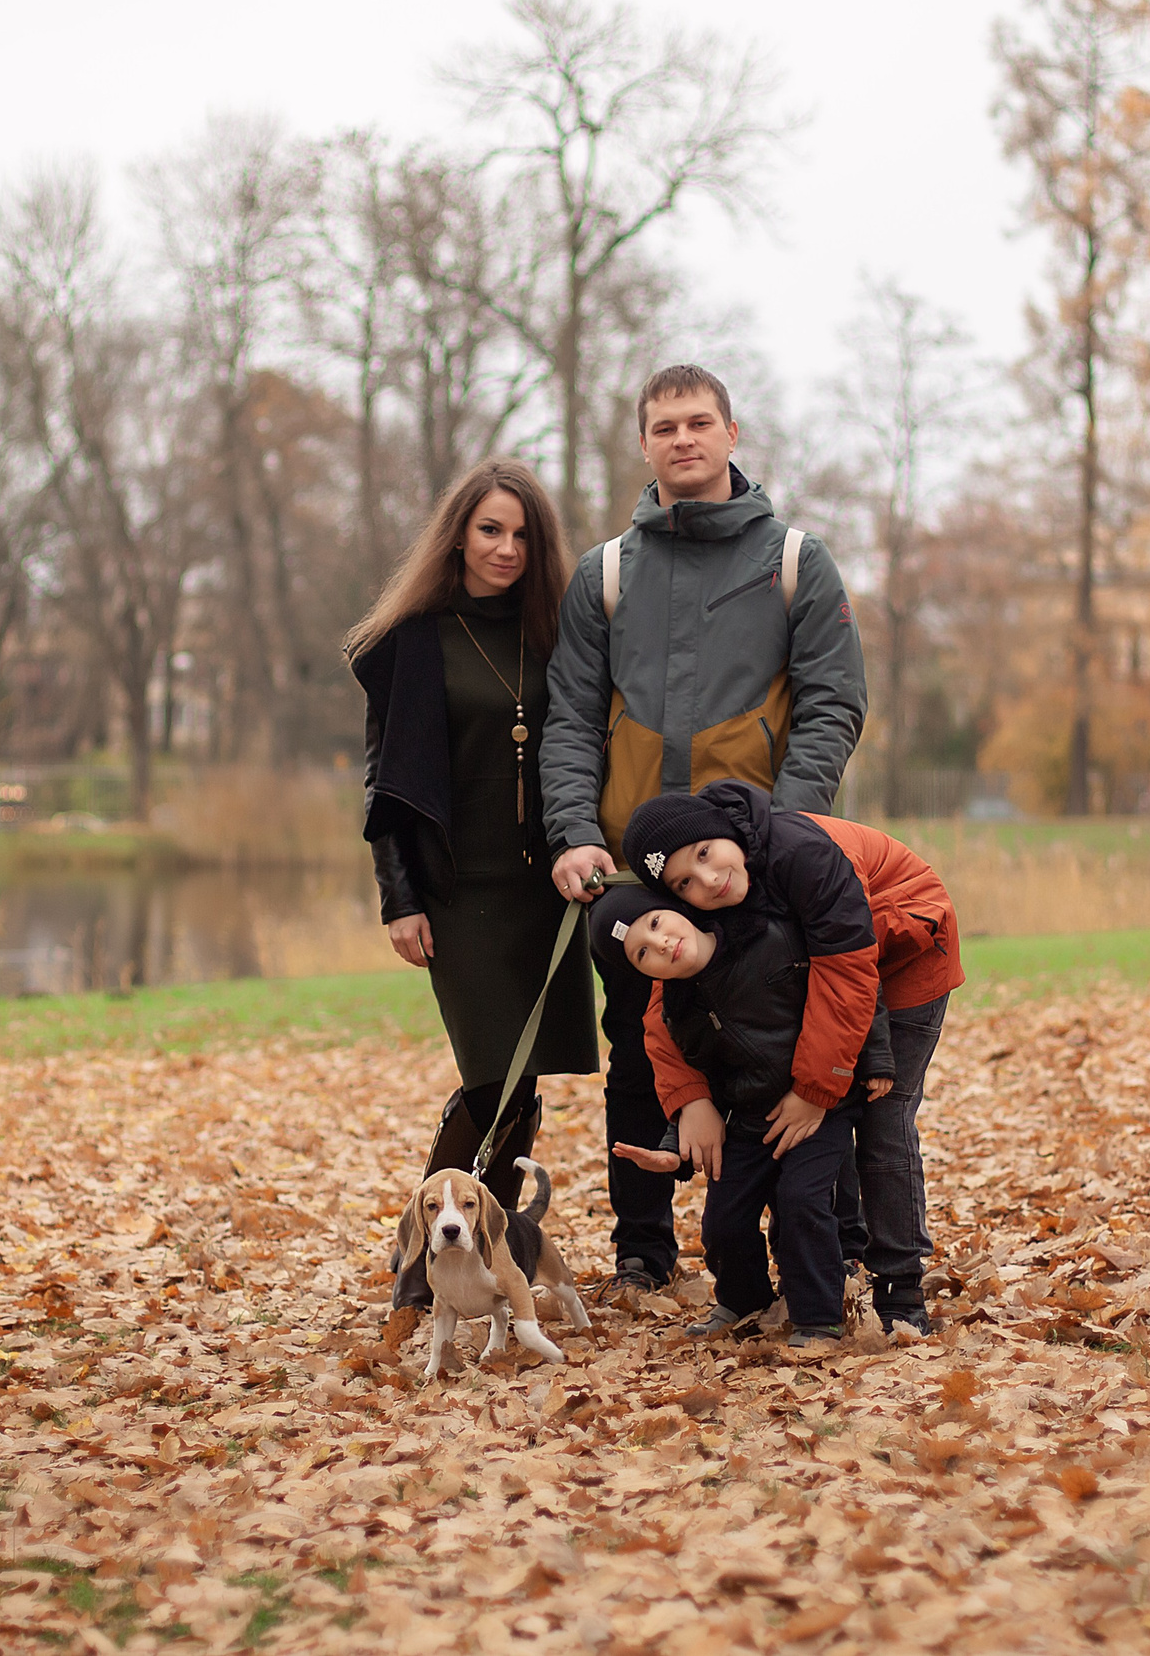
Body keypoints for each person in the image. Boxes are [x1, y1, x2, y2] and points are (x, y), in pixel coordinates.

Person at [540, 364, 869, 1294]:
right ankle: (644, 1251)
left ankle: (831, 1244)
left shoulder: (797, 561)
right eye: (663, 427)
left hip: (758, 861)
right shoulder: (605, 574)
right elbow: (568, 716)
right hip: (635, 868)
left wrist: (788, 830)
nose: (682, 439)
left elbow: (833, 704)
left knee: (795, 1037)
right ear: (643, 444)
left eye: (698, 422)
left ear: (732, 432)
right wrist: (573, 832)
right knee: (641, 1050)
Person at [350, 458, 600, 1319]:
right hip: (457, 892)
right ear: (458, 531)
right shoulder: (412, 639)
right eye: (491, 529)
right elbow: (386, 784)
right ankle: (422, 1260)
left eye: (523, 534)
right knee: (494, 1075)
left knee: (525, 1085)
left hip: (545, 891)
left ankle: (485, 1258)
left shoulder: (556, 629)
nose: (506, 547)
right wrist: (399, 896)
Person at [621, 781, 961, 1339]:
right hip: (821, 970)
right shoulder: (696, 905)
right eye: (685, 880)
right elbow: (667, 1003)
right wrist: (692, 1101)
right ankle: (833, 1266)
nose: (708, 880)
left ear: (721, 829)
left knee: (879, 1119)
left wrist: (814, 1089)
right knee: (812, 1129)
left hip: (901, 941)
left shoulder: (802, 853)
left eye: (706, 854)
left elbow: (847, 973)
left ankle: (901, 1289)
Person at [590, 886, 891, 1346]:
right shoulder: (679, 1009)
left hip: (818, 1107)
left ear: (675, 910)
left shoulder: (766, 938)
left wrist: (876, 1060)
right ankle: (744, 1299)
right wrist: (675, 1148)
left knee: (801, 1203)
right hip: (748, 1119)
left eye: (654, 925)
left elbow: (846, 995)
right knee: (723, 1221)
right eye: (642, 954)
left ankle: (818, 1317)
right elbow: (700, 1090)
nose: (661, 945)